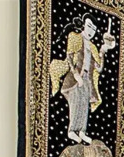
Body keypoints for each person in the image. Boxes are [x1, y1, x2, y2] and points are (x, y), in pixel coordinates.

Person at [49, 13, 116, 144]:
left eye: (94, 29)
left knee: (84, 105)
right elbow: (69, 57)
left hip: (87, 79)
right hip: (76, 77)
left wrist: (103, 52)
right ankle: (71, 131)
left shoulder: (93, 47)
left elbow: (99, 68)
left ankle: (82, 131)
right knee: (75, 103)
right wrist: (75, 74)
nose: (91, 31)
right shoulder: (75, 37)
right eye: (89, 26)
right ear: (84, 25)